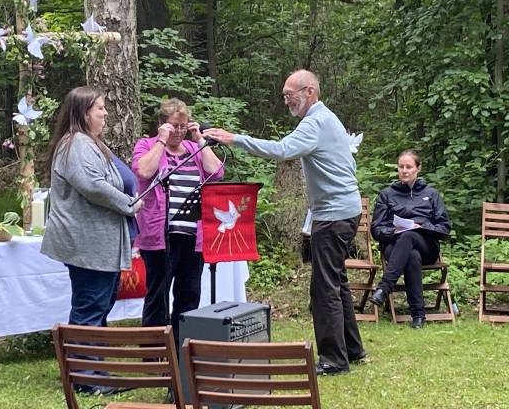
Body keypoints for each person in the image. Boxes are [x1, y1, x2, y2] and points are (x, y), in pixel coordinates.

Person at [203, 69, 365, 376]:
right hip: (341, 211)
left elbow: (282, 151)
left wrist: (234, 139)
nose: (286, 99)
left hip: (333, 215)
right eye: (284, 95)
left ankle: (334, 360)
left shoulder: (316, 121)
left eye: (290, 94)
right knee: (337, 281)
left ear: (309, 92)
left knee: (324, 288)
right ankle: (353, 350)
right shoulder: (327, 119)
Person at [41, 86, 143, 330]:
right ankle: (82, 367)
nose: (105, 113)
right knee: (89, 308)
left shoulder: (89, 143)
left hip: (98, 245)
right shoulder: (76, 144)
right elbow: (93, 185)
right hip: (88, 246)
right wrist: (129, 204)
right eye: (100, 108)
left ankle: (94, 365)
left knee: (100, 306)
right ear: (84, 113)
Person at [132, 98, 224, 347]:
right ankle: (153, 352)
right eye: (175, 126)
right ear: (162, 124)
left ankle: (182, 350)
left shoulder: (193, 151)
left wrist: (200, 142)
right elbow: (144, 171)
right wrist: (162, 141)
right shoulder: (147, 145)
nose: (179, 131)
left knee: (189, 293)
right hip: (160, 237)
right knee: (158, 295)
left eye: (184, 126)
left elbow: (216, 173)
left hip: (193, 236)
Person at [369, 150, 451, 329]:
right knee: (410, 252)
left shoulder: (432, 194)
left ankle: (384, 288)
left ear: (418, 169)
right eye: (401, 167)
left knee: (411, 235)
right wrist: (394, 230)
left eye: (409, 167)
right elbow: (376, 229)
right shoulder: (387, 194)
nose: (404, 171)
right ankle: (418, 316)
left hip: (427, 246)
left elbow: (444, 229)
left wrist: (421, 227)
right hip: (395, 245)